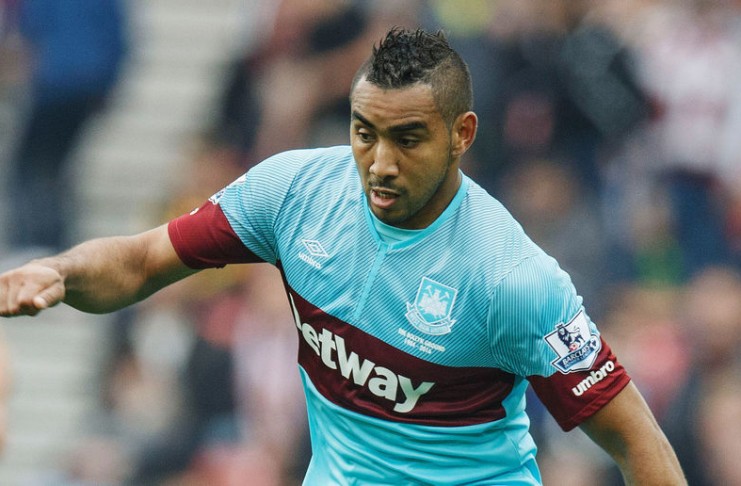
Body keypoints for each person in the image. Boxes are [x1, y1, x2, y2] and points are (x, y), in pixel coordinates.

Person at [0, 28, 685, 485]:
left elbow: (636, 442)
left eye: (407, 139)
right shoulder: (293, 192)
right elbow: (143, 260)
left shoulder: (514, 279)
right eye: (364, 132)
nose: (379, 163)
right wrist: (59, 272)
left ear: (462, 134)